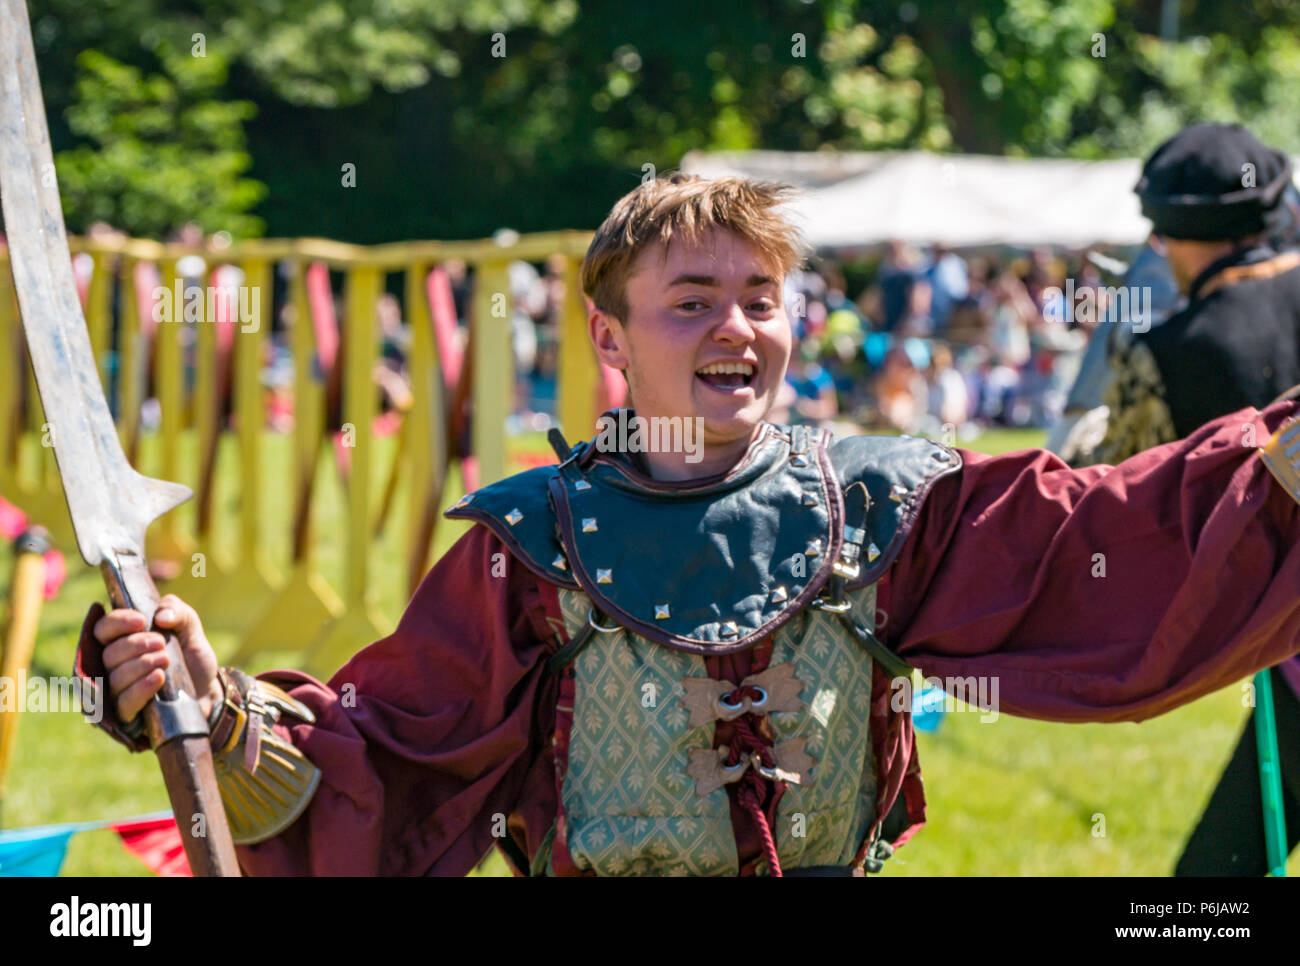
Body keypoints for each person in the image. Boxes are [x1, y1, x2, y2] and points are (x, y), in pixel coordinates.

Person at [78, 174, 1300, 877]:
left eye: (760, 299)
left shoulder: (881, 505)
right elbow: (392, 755)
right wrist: (212, 705)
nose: (737, 329)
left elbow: (1112, 543)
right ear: (610, 339)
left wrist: (1281, 461)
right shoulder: (530, 551)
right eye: (693, 301)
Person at [1093, 122, 1300, 875]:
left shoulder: (1166, 353)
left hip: (1288, 639)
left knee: (1213, 887)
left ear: (1166, 231)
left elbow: (1115, 494)